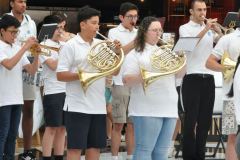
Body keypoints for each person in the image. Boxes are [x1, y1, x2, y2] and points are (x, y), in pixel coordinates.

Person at [56, 6, 121, 160]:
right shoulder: (70, 45)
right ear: (82, 24)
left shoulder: (102, 45)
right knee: (75, 149)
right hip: (77, 106)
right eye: (93, 23)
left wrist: (117, 54)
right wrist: (82, 75)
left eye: (98, 23)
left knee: (95, 148)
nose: (97, 27)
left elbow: (115, 72)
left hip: (98, 105)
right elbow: (60, 75)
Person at [122, 16, 178, 160]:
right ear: (144, 32)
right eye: (154, 30)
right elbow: (126, 80)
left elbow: (180, 75)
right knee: (144, 150)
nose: (158, 33)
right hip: (147, 108)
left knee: (161, 152)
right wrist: (148, 75)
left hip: (169, 106)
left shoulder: (165, 52)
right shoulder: (136, 53)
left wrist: (181, 60)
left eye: (160, 30)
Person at [179, 0, 223, 159]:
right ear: (191, 12)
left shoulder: (209, 30)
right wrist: (206, 29)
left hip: (208, 77)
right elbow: (188, 46)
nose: (203, 13)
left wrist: (219, 33)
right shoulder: (184, 28)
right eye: (199, 10)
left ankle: (200, 155)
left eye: (204, 9)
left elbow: (221, 48)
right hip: (192, 77)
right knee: (190, 122)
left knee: (205, 121)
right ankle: (189, 156)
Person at [0, 14, 39, 160]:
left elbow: (31, 70)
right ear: (2, 31)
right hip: (2, 99)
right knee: (2, 134)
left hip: (17, 98)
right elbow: (9, 65)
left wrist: (37, 55)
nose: (15, 35)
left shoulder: (16, 47)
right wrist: (24, 47)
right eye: (12, 32)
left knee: (12, 136)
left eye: (16, 32)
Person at [107, 2, 138, 160]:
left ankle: (131, 156)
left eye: (135, 16)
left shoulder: (139, 32)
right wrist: (135, 42)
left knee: (132, 124)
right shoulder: (113, 32)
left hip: (135, 83)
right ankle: (114, 157)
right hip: (119, 82)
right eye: (130, 16)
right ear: (121, 17)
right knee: (118, 123)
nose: (133, 19)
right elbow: (117, 53)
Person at [206, 27, 240, 160]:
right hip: (230, 97)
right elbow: (209, 62)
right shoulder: (228, 38)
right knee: (232, 135)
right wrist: (228, 69)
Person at [39, 15, 66, 160]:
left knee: (63, 129)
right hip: (53, 91)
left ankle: (59, 157)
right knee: (51, 128)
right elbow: (54, 65)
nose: (61, 31)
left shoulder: (64, 45)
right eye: (58, 27)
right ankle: (46, 157)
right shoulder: (43, 44)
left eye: (63, 27)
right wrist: (64, 47)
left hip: (67, 90)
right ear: (49, 28)